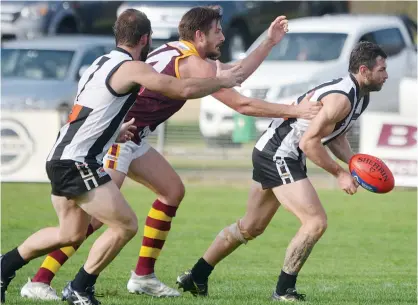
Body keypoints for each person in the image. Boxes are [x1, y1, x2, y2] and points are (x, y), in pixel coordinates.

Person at [20, 6, 322, 301]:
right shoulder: (193, 64)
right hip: (117, 138)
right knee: (97, 219)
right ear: (200, 35)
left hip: (133, 137)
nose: (223, 38)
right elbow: (241, 102)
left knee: (172, 191)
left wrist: (268, 41)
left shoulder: (181, 51)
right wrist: (295, 111)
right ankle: (40, 280)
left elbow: (233, 73)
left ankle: (143, 276)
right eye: (218, 32)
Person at [0, 9, 245, 305]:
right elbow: (181, 87)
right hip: (80, 162)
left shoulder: (100, 62)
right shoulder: (132, 68)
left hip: (60, 155)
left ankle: (5, 266)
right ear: (145, 39)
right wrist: (222, 81)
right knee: (125, 224)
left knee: (69, 232)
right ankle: (80, 288)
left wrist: (114, 132)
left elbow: (91, 108)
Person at [176, 41, 388, 302]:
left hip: (279, 152)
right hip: (279, 154)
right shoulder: (342, 98)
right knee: (315, 222)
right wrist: (339, 174)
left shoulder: (360, 96)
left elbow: (333, 137)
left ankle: (196, 276)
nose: (386, 75)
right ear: (364, 70)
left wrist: (354, 165)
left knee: (250, 227)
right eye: (382, 69)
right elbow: (308, 143)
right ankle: (283, 290)